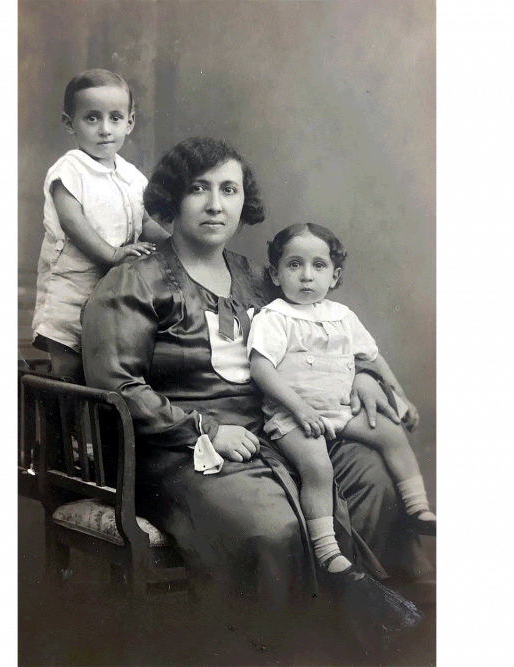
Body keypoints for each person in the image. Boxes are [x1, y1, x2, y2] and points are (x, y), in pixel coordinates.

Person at [81, 137, 433, 653]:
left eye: (229, 189)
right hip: (181, 448)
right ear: (172, 200)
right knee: (272, 529)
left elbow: (310, 335)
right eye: (197, 189)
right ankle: (281, 654)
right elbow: (117, 385)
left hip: (276, 428)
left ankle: (364, 647)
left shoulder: (256, 278)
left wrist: (354, 376)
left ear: (245, 202)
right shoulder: (135, 281)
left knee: (373, 479)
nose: (215, 204)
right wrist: (207, 430)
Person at [248, 223, 436, 585]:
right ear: (275, 273)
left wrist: (400, 396)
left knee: (391, 432)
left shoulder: (342, 316)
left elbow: (374, 358)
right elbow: (261, 369)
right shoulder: (275, 317)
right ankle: (327, 550)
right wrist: (300, 409)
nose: (306, 276)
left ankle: (416, 507)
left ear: (334, 276)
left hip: (340, 411)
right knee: (318, 468)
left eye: (318, 266)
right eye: (294, 265)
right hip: (293, 417)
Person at [31, 69, 170, 381]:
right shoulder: (69, 170)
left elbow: (144, 221)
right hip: (73, 286)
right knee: (68, 365)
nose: (105, 129)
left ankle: (90, 428)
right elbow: (72, 221)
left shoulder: (132, 176)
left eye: (116, 118)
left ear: (130, 122)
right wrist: (113, 254)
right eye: (92, 118)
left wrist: (175, 246)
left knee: (104, 365)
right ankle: (64, 427)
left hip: (113, 292)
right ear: (70, 123)